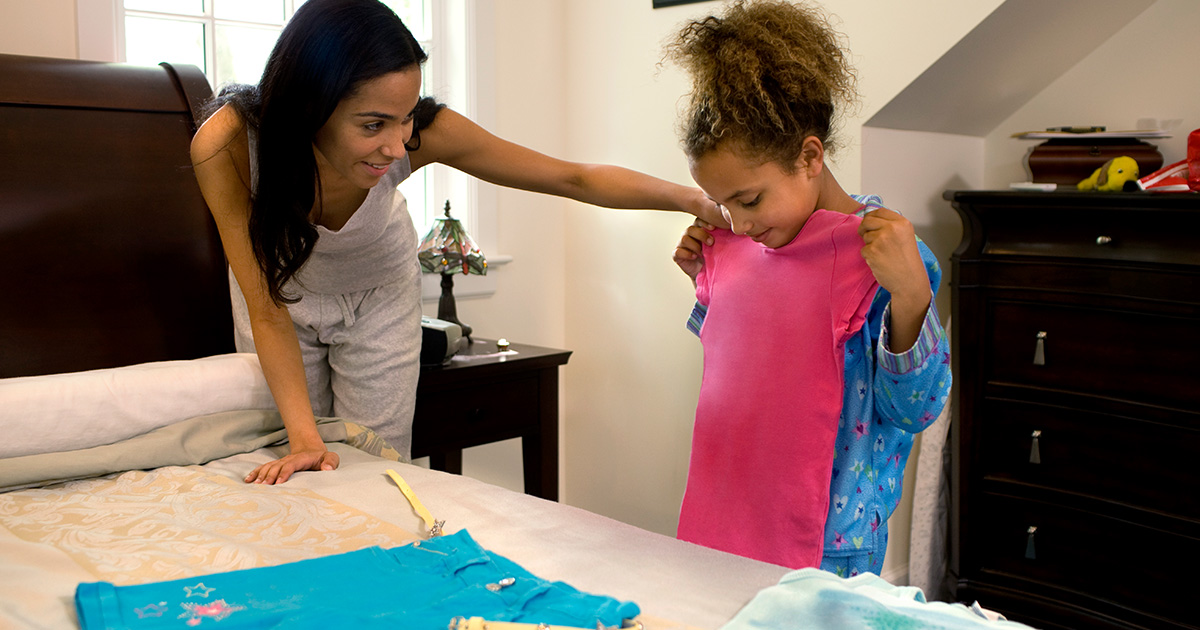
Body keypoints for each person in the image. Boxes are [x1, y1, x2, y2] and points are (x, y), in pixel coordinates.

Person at [191, 0, 721, 485]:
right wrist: (305, 441)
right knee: (301, 461)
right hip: (282, 300)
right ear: (310, 105)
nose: (396, 145)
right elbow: (264, 307)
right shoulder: (229, 145)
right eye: (373, 124)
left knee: (374, 469)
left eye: (404, 118)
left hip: (379, 294)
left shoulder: (421, 133)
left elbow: (571, 177)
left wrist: (691, 198)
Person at [664, 0, 950, 575]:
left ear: (810, 156)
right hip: (732, 515)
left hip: (831, 545)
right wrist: (707, 282)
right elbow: (750, 367)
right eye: (723, 205)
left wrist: (912, 300)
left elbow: (915, 411)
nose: (738, 224)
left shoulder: (883, 256)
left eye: (749, 200)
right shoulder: (752, 243)